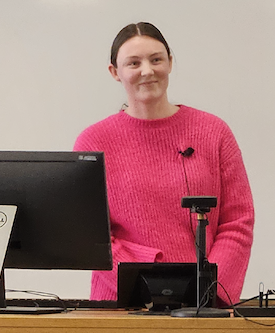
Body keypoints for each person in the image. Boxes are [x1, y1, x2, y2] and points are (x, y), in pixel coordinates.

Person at [74, 22, 254, 305]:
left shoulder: (214, 131)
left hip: (203, 308)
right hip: (120, 307)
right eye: (133, 63)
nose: (147, 70)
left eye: (156, 59)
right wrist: (145, 278)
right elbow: (90, 236)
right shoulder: (94, 141)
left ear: (170, 63)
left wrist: (208, 289)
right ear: (115, 72)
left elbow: (237, 222)